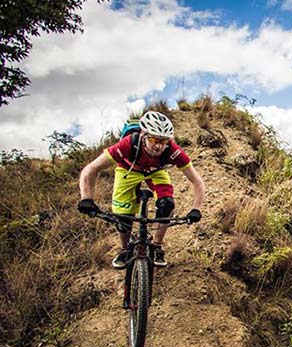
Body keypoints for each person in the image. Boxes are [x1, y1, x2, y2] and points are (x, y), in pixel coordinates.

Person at [77, 110, 205, 268]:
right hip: (128, 169)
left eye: (164, 141)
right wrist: (86, 198)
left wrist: (196, 209)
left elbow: (197, 181)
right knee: (123, 218)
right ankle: (125, 249)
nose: (158, 146)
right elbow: (90, 169)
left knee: (167, 205)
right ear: (144, 134)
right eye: (153, 140)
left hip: (155, 172)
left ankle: (157, 246)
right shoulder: (128, 144)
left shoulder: (172, 150)